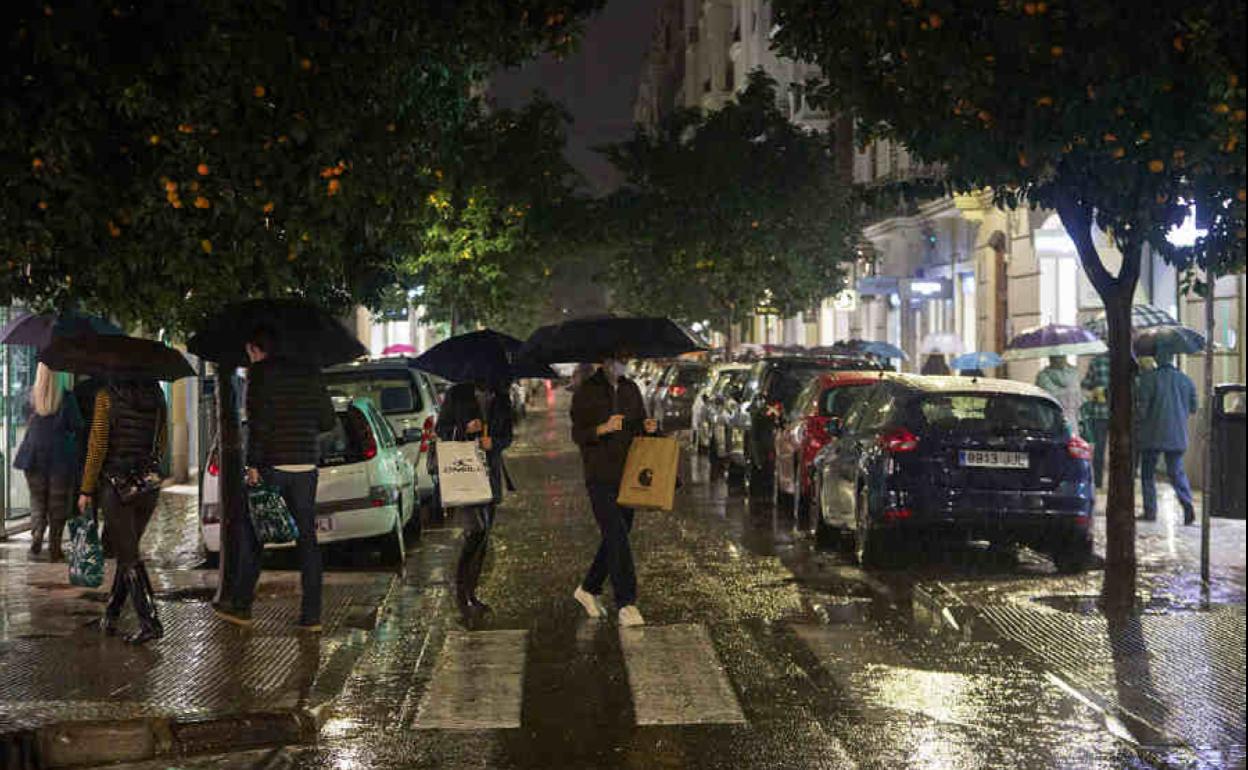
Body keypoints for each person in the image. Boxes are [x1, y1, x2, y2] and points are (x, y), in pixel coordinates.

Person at [215, 325, 336, 630]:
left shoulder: (261, 374)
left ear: (257, 350)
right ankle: (312, 617)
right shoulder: (311, 374)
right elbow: (327, 420)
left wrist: (253, 463)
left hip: (273, 464)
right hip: (306, 466)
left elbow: (258, 424)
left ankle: (241, 606)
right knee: (307, 540)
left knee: (256, 533)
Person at [569, 354, 658, 627]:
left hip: (629, 474)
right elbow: (578, 433)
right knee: (617, 535)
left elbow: (639, 422)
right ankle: (626, 602)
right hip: (599, 475)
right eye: (619, 358)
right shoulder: (587, 391)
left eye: (627, 359)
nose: (624, 363)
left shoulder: (630, 388)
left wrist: (649, 428)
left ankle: (589, 588)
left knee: (616, 536)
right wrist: (602, 429)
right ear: (605, 361)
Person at [78, 377, 167, 644]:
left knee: (128, 555)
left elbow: (98, 446)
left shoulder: (107, 395)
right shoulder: (158, 395)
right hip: (147, 483)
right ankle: (112, 613)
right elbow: (161, 442)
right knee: (128, 550)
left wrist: (86, 488)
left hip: (116, 485)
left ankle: (150, 622)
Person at [434, 380, 513, 617]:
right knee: (475, 531)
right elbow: (442, 430)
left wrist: (495, 442)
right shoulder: (457, 394)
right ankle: (461, 593)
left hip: (490, 474)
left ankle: (472, 594)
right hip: (465, 474)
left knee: (484, 535)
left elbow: (508, 435)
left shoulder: (501, 396)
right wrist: (464, 430)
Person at [15, 364, 82, 561]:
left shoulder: (29, 395)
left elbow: (24, 418)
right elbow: (77, 424)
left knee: (37, 500)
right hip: (60, 455)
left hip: (33, 454)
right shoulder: (67, 397)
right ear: (59, 376)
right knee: (58, 504)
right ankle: (55, 548)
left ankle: (37, 535)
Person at [1136, 348, 1198, 524]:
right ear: (1172, 358)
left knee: (1147, 474)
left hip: (1152, 434)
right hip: (1177, 434)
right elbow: (1193, 407)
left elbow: (1143, 410)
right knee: (1177, 472)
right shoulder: (1186, 380)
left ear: (1157, 358)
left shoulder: (1148, 379)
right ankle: (1187, 506)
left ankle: (1150, 511)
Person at [1080, 353, 1111, 488]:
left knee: (1099, 449)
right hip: (1123, 414)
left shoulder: (1097, 362)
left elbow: (1086, 385)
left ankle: (1098, 483)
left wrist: (1096, 391)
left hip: (1100, 413)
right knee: (1122, 449)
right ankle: (1122, 483)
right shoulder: (1127, 361)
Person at [1036, 355, 1083, 431]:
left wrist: (1080, 420)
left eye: (1062, 357)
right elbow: (1048, 396)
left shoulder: (1073, 372)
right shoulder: (1043, 375)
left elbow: (1077, 398)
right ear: (1051, 359)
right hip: (1053, 417)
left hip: (1067, 417)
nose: (1060, 360)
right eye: (1057, 357)